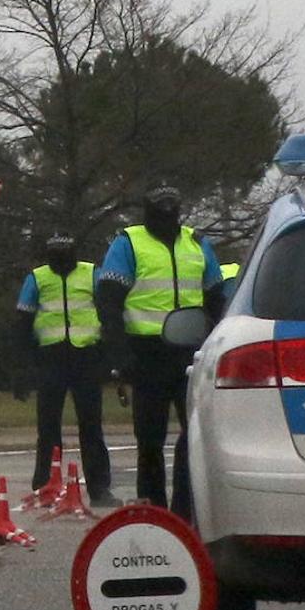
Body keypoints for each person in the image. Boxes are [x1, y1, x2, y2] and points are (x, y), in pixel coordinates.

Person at [96, 183, 226, 519]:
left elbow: (215, 297)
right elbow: (109, 302)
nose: (168, 214)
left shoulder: (196, 243)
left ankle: (186, 510)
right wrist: (119, 356)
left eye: (173, 207)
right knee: (150, 441)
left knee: (193, 436)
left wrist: (215, 339)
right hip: (146, 354)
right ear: (148, 210)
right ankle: (153, 512)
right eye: (161, 207)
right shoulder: (128, 244)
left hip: (191, 354)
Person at [13, 233, 117, 506]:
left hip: (86, 357)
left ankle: (99, 489)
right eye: (55, 254)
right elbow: (23, 322)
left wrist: (109, 356)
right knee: (48, 428)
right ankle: (44, 486)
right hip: (51, 358)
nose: (60, 259)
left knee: (91, 426)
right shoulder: (37, 278)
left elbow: (107, 314)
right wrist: (23, 367)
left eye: (65, 253)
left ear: (74, 253)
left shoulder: (92, 273)